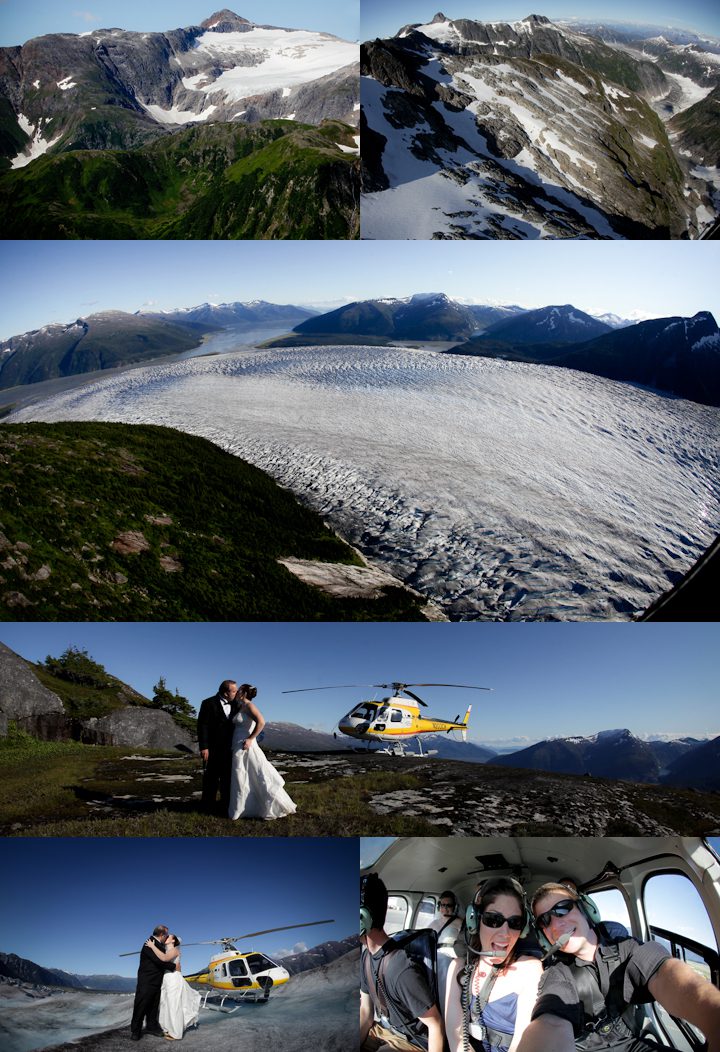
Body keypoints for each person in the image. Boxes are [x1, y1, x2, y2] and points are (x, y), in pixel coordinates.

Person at [517, 882, 720, 1052]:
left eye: (562, 908)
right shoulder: (556, 972)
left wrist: (714, 1016)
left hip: (631, 1044)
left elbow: (665, 973)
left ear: (586, 909)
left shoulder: (627, 948)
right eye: (545, 920)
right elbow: (551, 1021)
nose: (555, 925)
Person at [445, 877, 541, 1052]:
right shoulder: (458, 968)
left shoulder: (530, 969)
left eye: (514, 923)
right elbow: (456, 1037)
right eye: (493, 919)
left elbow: (522, 1044)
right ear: (475, 921)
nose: (505, 933)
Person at [360, 872, 444, 1052]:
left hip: (411, 1042)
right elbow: (366, 1013)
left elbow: (435, 1025)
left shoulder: (401, 969)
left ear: (363, 918)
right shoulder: (365, 958)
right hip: (384, 1030)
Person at [228, 684, 297, 820]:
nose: (236, 692)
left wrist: (250, 739)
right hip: (238, 744)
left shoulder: (249, 706)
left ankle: (270, 805)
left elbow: (261, 722)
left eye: (239, 690)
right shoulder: (241, 706)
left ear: (244, 693)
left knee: (254, 773)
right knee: (243, 775)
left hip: (246, 744)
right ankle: (243, 808)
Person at [145, 934, 201, 1041]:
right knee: (165, 1004)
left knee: (173, 1005)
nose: (166, 937)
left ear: (173, 940)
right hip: (167, 979)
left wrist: (152, 946)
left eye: (168, 937)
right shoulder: (167, 950)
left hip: (173, 979)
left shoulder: (174, 950)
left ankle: (176, 1033)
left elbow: (164, 959)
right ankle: (167, 1028)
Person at [197, 680, 238, 815]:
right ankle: (207, 806)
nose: (236, 693)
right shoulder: (208, 703)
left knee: (228, 778)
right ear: (226, 693)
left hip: (231, 748)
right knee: (211, 778)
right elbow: (202, 726)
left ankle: (226, 805)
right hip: (213, 748)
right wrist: (204, 747)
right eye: (234, 691)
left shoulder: (237, 704)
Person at [130, 925, 176, 1041]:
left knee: (153, 1007)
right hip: (146, 981)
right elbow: (158, 961)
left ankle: (151, 1027)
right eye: (166, 934)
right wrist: (174, 966)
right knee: (141, 1006)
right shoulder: (149, 943)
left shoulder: (159, 945)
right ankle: (136, 1031)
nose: (166, 937)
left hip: (157, 981)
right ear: (161, 934)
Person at [428, 891, 463, 1013]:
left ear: (454, 907)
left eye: (448, 905)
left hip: (449, 960)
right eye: (442, 905)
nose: (445, 908)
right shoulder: (433, 923)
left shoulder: (460, 923)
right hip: (432, 959)